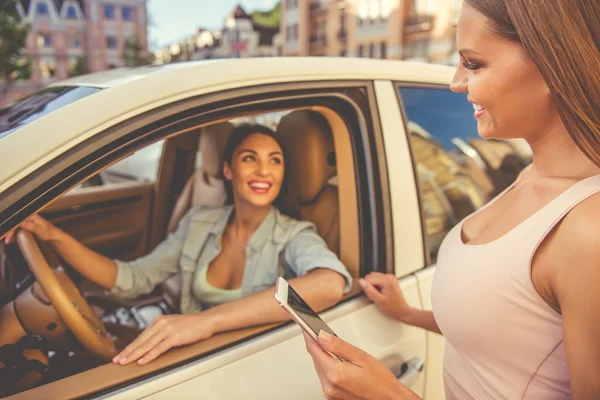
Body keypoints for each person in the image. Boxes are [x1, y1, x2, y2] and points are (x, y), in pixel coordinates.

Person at [303, 0, 600, 399]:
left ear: (553, 61)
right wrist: (407, 313)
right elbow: (512, 329)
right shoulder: (531, 176)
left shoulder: (588, 228)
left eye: (474, 64)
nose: (456, 82)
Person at [5, 124, 352, 366]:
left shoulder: (294, 234)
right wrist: (54, 236)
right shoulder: (200, 221)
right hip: (186, 352)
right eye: (250, 158)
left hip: (240, 358)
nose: (264, 171)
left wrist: (206, 321)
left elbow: (330, 283)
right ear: (228, 170)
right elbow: (132, 278)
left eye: (275, 160)